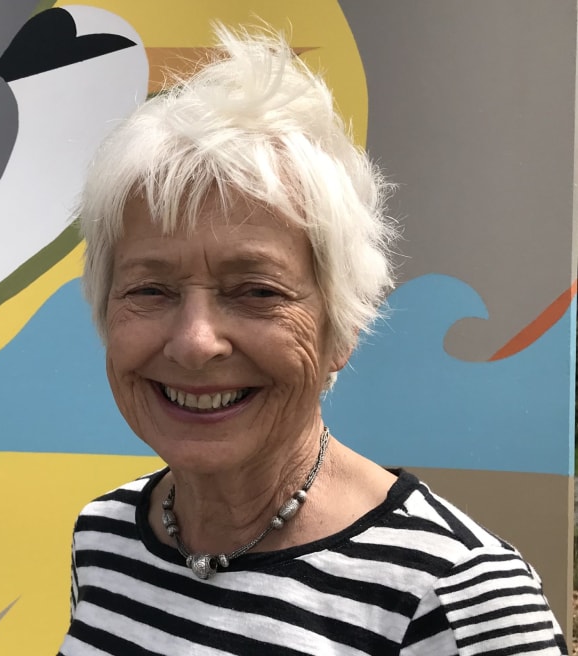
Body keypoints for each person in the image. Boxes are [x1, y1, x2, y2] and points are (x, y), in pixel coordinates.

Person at [57, 26, 567, 656]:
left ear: (341, 327)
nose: (195, 343)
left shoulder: (456, 596)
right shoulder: (105, 538)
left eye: (256, 291)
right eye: (151, 290)